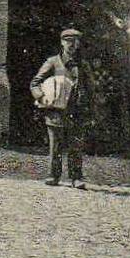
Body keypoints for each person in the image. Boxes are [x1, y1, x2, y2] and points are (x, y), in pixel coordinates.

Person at [30, 27, 97, 189]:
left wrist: (90, 108)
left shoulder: (83, 64)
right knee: (56, 146)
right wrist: (41, 96)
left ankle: (76, 178)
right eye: (69, 41)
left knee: (76, 146)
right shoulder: (52, 62)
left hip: (77, 110)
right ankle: (53, 175)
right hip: (56, 112)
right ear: (62, 42)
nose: (72, 45)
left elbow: (92, 88)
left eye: (75, 42)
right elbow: (35, 83)